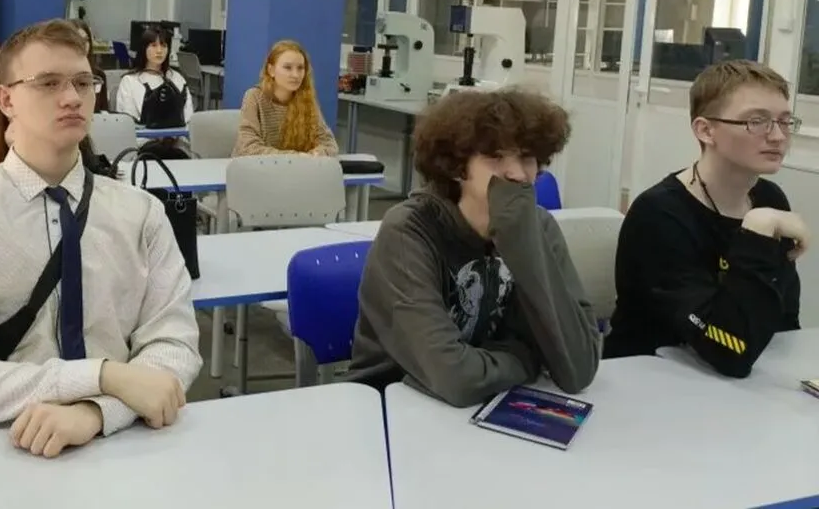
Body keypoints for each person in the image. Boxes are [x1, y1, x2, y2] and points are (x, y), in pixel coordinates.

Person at [0, 19, 201, 458]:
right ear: (6, 100)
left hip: (122, 444)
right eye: (48, 83)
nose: (72, 97)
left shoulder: (141, 213)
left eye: (83, 82)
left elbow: (174, 345)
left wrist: (95, 413)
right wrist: (103, 376)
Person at [345, 88, 600, 407]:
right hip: (393, 405)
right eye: (496, 157)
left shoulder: (539, 228)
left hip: (489, 405)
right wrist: (530, 359)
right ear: (457, 166)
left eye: (526, 157)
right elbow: (457, 379)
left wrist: (523, 243)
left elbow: (579, 368)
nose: (518, 174)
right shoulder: (409, 231)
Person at [605, 61, 807, 377]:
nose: (779, 136)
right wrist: (757, 232)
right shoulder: (659, 214)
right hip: (650, 379)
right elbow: (730, 350)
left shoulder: (769, 200)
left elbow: (782, 322)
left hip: (735, 381)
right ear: (705, 130)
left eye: (784, 121)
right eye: (757, 121)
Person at [233, 40, 338, 157]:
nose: (296, 75)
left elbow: (329, 144)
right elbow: (247, 148)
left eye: (300, 68)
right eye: (288, 67)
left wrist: (316, 154)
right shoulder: (254, 97)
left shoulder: (307, 100)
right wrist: (294, 157)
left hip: (297, 166)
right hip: (255, 166)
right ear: (271, 70)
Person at [115, 24, 193, 128]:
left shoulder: (177, 78)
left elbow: (188, 119)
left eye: (163, 45)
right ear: (144, 48)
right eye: (153, 45)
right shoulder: (130, 81)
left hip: (177, 136)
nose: (159, 51)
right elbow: (128, 123)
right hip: (142, 137)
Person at [72, 19, 110, 113]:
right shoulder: (58, 76)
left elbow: (104, 112)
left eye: (86, 40)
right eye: (78, 40)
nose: (83, 45)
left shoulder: (99, 75)